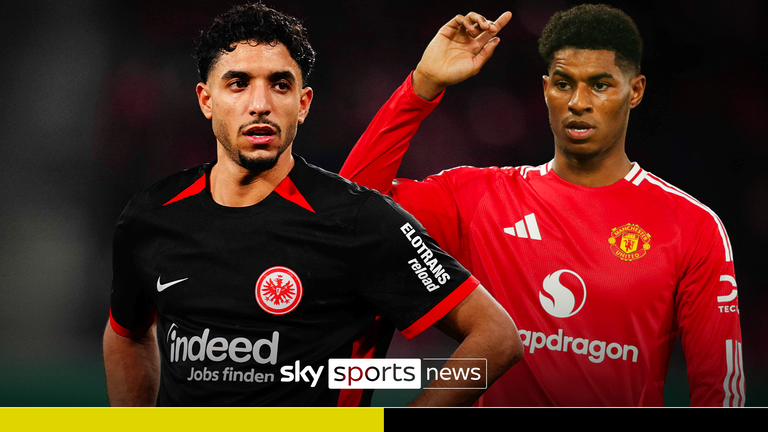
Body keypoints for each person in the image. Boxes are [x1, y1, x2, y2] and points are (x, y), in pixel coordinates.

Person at [102, 2, 523, 407]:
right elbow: (127, 332)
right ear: (206, 100)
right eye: (238, 83)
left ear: (302, 104)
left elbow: (496, 338)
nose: (260, 104)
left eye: (280, 84)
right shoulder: (151, 215)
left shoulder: (360, 219)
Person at [340, 4, 745, 407]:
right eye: (564, 84)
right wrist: (422, 86)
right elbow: (347, 211)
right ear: (546, 88)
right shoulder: (479, 197)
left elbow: (720, 390)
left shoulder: (690, 226)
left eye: (600, 85)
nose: (578, 102)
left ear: (635, 91)